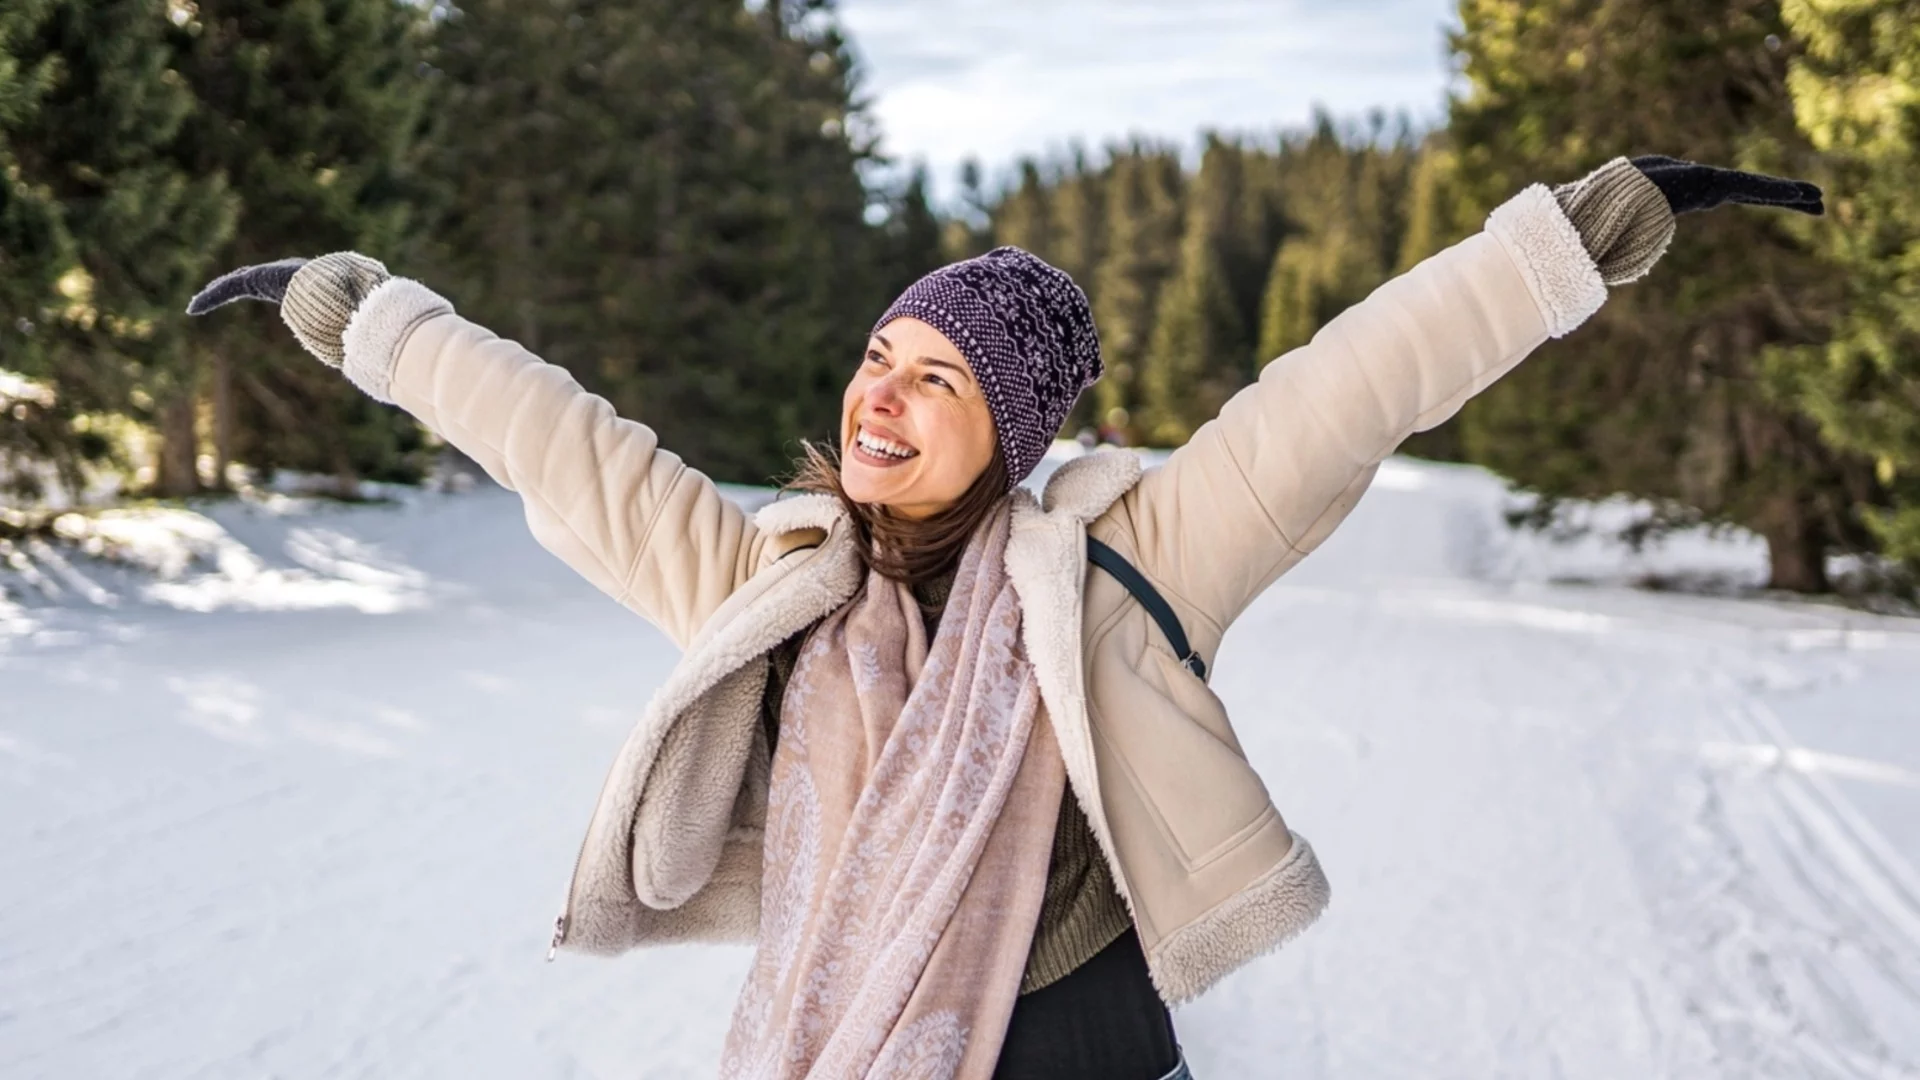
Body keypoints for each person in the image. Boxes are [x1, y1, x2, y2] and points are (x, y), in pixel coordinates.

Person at [190, 155, 1821, 1079]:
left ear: (1014, 431)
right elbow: (570, 446)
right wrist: (370, 320)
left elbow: (1349, 388)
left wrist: (1564, 246)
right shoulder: (780, 581)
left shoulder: (1125, 563)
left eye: (941, 378)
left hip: (1083, 1059)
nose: (885, 397)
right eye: (883, 359)